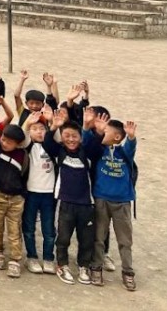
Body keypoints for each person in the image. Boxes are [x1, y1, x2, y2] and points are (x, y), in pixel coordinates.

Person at [84, 110, 137, 291]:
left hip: (122, 202)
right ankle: (96, 267)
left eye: (106, 131)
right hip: (101, 199)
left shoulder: (124, 153)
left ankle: (128, 272)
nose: (102, 133)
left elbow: (130, 148)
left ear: (116, 136)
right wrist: (97, 131)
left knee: (125, 240)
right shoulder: (100, 150)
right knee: (99, 237)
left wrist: (130, 138)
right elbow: (88, 147)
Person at [52, 117, 95, 286]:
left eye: (75, 136)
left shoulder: (87, 154)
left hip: (86, 203)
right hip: (65, 202)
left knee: (86, 239)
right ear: (62, 138)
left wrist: (86, 126)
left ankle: (84, 265)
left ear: (81, 138)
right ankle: (62, 265)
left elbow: (95, 146)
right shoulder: (60, 152)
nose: (71, 139)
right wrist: (54, 125)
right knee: (63, 237)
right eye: (67, 136)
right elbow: (49, 142)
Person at [21, 106, 61, 276]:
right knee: (29, 227)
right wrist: (27, 124)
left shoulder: (52, 148)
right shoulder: (28, 147)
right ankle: (31, 256)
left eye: (41, 129)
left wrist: (52, 122)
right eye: (34, 129)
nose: (38, 132)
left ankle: (48, 258)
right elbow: (21, 140)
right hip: (30, 192)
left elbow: (57, 139)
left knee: (49, 229)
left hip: (49, 194)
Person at [0, 123, 28, 278]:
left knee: (14, 229)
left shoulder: (23, 155)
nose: (4, 143)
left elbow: (25, 175)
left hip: (16, 198)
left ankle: (15, 259)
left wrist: (22, 193)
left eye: (9, 142)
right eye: (3, 139)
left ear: (18, 144)